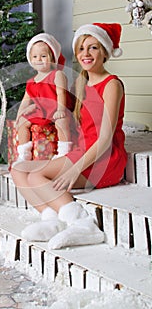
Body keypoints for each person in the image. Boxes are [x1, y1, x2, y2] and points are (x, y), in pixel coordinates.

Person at [11, 23, 127, 250]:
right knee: (18, 170)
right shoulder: (81, 83)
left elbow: (104, 138)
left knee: (35, 177)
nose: (86, 54)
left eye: (93, 48)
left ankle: (84, 225)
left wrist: (74, 168)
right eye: (81, 48)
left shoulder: (111, 84)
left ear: (104, 51)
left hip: (103, 159)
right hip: (81, 151)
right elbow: (58, 111)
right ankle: (51, 220)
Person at [15, 33, 74, 162]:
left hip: (57, 108)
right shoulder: (31, 81)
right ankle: (24, 153)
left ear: (52, 58)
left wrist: (61, 110)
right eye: (35, 56)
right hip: (42, 111)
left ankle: (64, 152)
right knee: (23, 123)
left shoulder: (57, 74)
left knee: (62, 122)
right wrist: (19, 115)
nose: (39, 60)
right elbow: (26, 101)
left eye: (43, 56)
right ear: (30, 59)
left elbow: (61, 93)